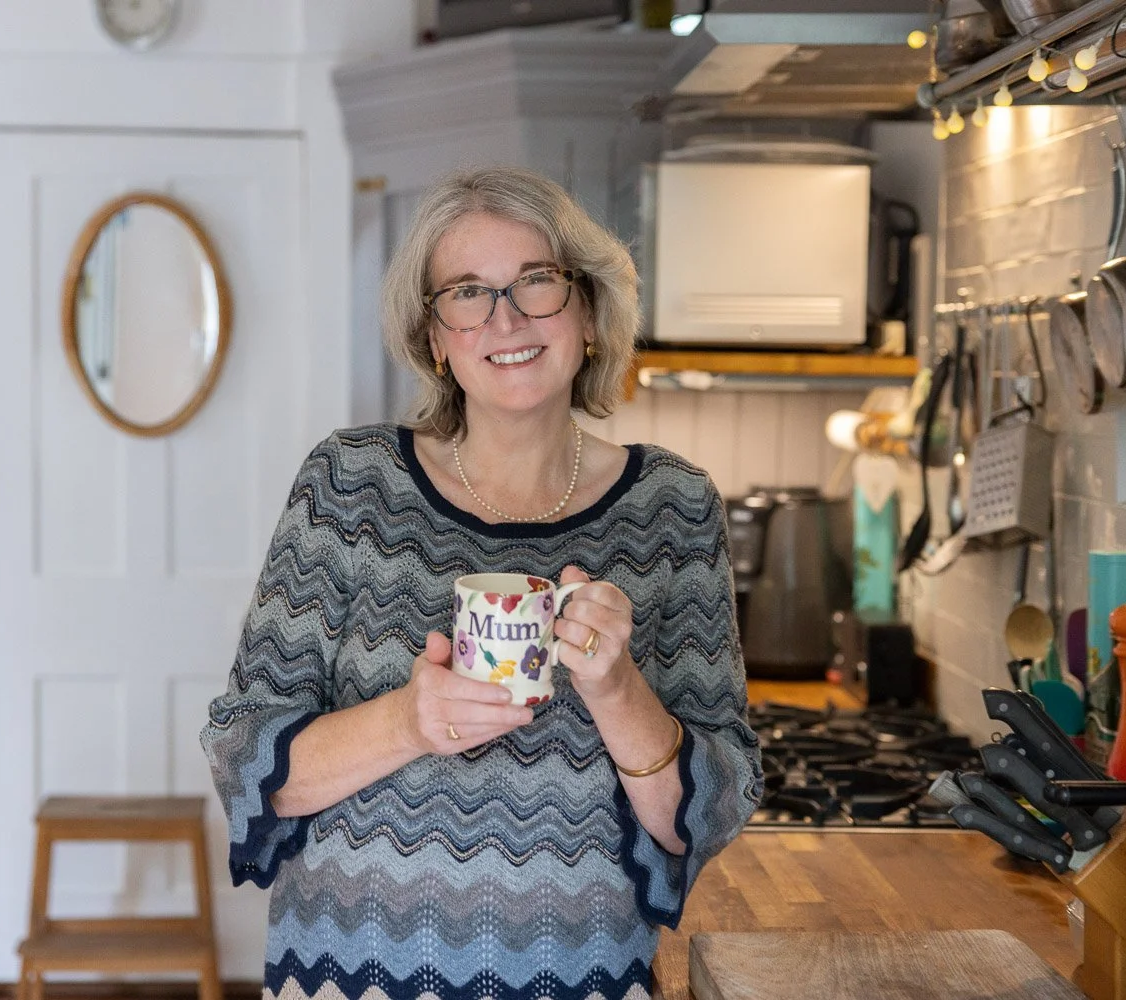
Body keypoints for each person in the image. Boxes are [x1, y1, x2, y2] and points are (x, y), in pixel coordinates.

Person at [200, 165, 763, 1000]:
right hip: (348, 974)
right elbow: (247, 753)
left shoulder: (673, 509)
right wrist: (409, 719)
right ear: (435, 337)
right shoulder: (349, 484)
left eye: (535, 282)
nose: (505, 319)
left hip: (581, 978)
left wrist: (616, 692)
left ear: (588, 311)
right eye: (466, 293)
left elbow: (701, 816)